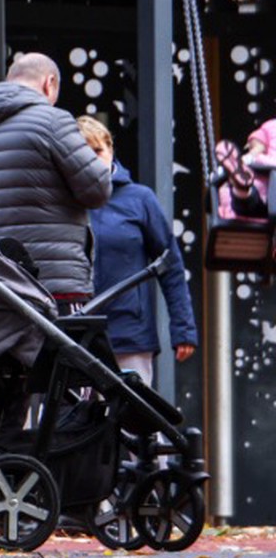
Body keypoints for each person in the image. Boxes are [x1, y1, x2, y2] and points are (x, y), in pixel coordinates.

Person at [0, 52, 112, 305]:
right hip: (55, 286)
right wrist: (104, 165)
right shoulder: (53, 121)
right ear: (50, 84)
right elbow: (97, 190)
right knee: (75, 345)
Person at [78, 117, 197, 387]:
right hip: (76, 333)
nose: (92, 159)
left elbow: (171, 264)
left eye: (97, 151)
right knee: (74, 424)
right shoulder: (62, 202)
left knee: (134, 423)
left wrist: (184, 330)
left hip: (130, 333)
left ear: (111, 151)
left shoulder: (140, 199)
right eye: (82, 152)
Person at [214, 118, 276, 220]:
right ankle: (241, 184)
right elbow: (257, 147)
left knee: (250, 203)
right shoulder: (270, 127)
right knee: (253, 203)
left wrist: (253, 159)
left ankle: (241, 187)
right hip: (268, 191)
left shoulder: (269, 126)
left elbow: (257, 149)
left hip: (265, 192)